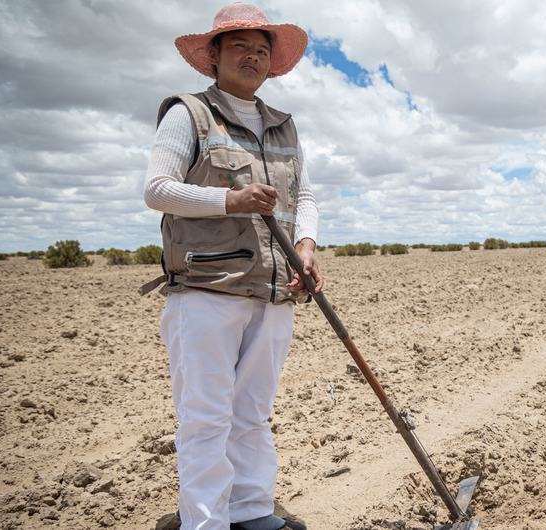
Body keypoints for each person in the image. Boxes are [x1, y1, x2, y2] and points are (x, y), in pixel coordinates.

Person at [141, 3, 321, 529]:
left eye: (262, 49)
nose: (253, 56)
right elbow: (157, 190)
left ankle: (250, 511)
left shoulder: (283, 126)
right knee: (206, 420)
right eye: (240, 45)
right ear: (213, 56)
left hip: (273, 291)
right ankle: (205, 522)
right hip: (205, 289)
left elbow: (304, 194)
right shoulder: (189, 114)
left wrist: (306, 245)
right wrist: (230, 201)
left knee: (252, 416)